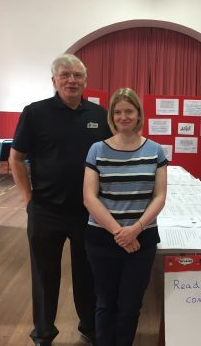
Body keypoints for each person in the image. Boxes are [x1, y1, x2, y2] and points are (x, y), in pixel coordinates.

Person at [9, 54, 112, 346]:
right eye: (65, 75)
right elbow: (16, 159)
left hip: (87, 211)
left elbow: (109, 157)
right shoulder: (35, 112)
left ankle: (89, 326)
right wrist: (28, 199)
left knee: (87, 273)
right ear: (54, 80)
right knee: (44, 275)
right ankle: (43, 332)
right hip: (45, 211)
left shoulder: (98, 114)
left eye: (77, 76)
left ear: (85, 81)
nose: (71, 80)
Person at [83, 87, 167, 346]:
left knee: (130, 305)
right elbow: (89, 197)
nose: (123, 116)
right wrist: (120, 232)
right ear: (111, 116)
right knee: (105, 302)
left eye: (128, 111)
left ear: (138, 113)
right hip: (102, 238)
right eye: (117, 112)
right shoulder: (97, 149)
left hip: (141, 239)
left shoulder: (155, 150)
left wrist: (135, 229)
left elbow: (160, 196)